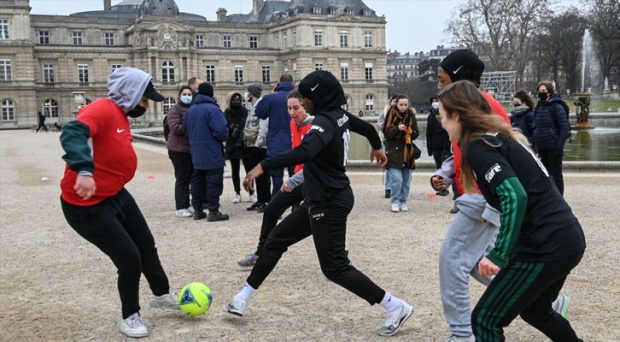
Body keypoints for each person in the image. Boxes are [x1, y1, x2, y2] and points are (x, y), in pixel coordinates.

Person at [225, 70, 414, 337]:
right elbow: (368, 128)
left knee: (335, 267)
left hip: (329, 201)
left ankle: (396, 307)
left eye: (305, 98)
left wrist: (262, 166)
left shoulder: (323, 122)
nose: (302, 102)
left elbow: (305, 152)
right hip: (320, 198)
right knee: (276, 240)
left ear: (318, 96)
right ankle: (241, 298)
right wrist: (376, 147)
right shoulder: (340, 116)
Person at [438, 80, 585, 342]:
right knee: (536, 311)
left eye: (442, 116)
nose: (440, 122)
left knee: (485, 320)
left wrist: (498, 255)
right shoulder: (497, 139)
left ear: (457, 115)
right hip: (567, 238)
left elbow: (513, 195)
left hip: (546, 244)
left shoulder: (480, 147)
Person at [59, 67, 177, 338]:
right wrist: (84, 171)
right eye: (145, 99)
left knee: (146, 244)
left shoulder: (120, 113)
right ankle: (130, 315)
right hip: (86, 205)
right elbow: (72, 134)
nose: (147, 105)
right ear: (131, 93)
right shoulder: (101, 109)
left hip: (115, 194)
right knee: (129, 259)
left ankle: (160, 294)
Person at [430, 49, 509, 342]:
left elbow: (496, 154)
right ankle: (544, 303)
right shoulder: (474, 104)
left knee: (452, 261)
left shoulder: (482, 104)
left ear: (458, 77)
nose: (438, 86)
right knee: (476, 264)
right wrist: (447, 173)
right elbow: (461, 150)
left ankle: (462, 336)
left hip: (481, 197)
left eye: (442, 79)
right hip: (477, 194)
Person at [237, 90, 314, 268]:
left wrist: (293, 180)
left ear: (306, 106)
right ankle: (260, 253)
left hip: (313, 179)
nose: (293, 113)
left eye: (296, 108)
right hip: (300, 178)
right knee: (272, 208)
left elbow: (314, 163)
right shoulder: (293, 124)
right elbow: (295, 155)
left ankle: (338, 258)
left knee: (317, 220)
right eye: (289, 108)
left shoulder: (314, 127)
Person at [184, 82, 229, 222]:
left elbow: (186, 130)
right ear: (211, 93)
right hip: (212, 151)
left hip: (196, 152)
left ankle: (197, 210)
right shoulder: (213, 109)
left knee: (197, 181)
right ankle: (213, 211)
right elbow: (221, 131)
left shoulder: (191, 110)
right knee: (214, 181)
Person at [255, 74, 294, 195]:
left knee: (277, 178)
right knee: (296, 176)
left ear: (279, 83)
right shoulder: (299, 97)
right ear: (292, 83)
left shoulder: (272, 97)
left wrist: (271, 94)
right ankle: (296, 207)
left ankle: (276, 210)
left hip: (276, 143)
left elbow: (260, 112)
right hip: (295, 142)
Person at [382, 94, 419, 212]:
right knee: (397, 179)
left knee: (406, 180)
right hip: (393, 150)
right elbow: (386, 133)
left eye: (405, 105)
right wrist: (398, 128)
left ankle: (403, 201)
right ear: (396, 104)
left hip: (407, 150)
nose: (403, 107)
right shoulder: (390, 114)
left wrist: (410, 131)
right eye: (401, 104)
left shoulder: (411, 116)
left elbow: (416, 134)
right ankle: (395, 201)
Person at [532, 81, 569, 195]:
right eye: (539, 91)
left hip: (553, 147)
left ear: (550, 92)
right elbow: (535, 127)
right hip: (542, 147)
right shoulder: (538, 107)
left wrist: (559, 146)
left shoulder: (557, 107)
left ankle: (559, 198)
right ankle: (550, 198)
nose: (541, 93)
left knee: (556, 175)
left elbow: (564, 128)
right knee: (545, 175)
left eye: (543, 91)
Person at [166, 86, 194, 218]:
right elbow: (175, 128)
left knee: (189, 178)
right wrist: (193, 126)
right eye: (185, 94)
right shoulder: (174, 109)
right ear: (179, 96)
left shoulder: (193, 108)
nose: (187, 96)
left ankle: (187, 204)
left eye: (189, 94)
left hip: (191, 149)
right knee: (182, 178)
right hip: (178, 150)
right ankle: (181, 207)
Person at [243, 83, 270, 211]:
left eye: (247, 91)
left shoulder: (261, 106)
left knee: (263, 175)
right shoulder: (252, 106)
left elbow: (263, 127)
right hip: (252, 144)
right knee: (257, 175)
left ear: (251, 93)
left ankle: (265, 201)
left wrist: (258, 145)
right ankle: (260, 200)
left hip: (259, 146)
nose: (245, 94)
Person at [224, 92, 252, 203]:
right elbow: (225, 127)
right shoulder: (226, 113)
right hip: (232, 143)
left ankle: (251, 192)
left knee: (248, 170)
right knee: (235, 170)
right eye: (234, 99)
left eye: (238, 99)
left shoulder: (245, 111)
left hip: (244, 143)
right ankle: (237, 192)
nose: (236, 101)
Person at [377, 95, 398, 199]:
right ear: (390, 102)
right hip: (387, 141)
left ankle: (395, 187)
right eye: (393, 101)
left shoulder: (403, 113)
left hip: (399, 142)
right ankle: (388, 188)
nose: (394, 103)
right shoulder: (385, 112)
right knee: (388, 166)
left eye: (396, 101)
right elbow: (379, 124)